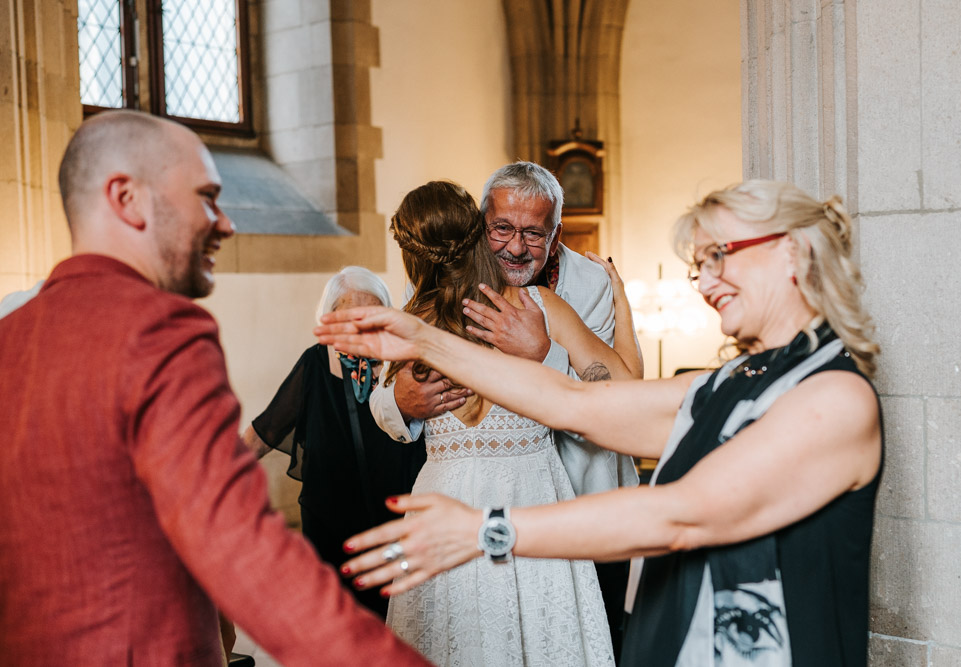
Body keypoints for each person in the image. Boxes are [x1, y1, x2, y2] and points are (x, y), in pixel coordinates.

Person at [320, 180, 883, 666]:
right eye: (699, 263)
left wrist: (483, 530)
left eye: (721, 254)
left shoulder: (833, 396)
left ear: (793, 254)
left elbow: (679, 517)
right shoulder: (731, 381)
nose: (705, 282)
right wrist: (421, 337)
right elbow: (573, 404)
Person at [0, 110, 428, 666]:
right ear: (126, 199)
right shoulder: (159, 331)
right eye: (206, 197)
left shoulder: (10, 334)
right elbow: (243, 550)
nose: (225, 223)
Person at [368, 161, 640, 653]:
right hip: (449, 491)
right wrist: (403, 402)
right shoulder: (426, 297)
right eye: (502, 229)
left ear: (555, 235)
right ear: (478, 226)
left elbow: (624, 396)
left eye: (534, 234)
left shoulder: (584, 286)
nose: (517, 246)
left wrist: (542, 354)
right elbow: (387, 395)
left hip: (565, 494)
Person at [241, 266, 426, 617]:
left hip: (395, 518)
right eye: (347, 317)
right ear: (328, 319)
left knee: (398, 618)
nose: (359, 327)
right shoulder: (315, 363)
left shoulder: (399, 363)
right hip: (331, 519)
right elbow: (266, 430)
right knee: (338, 619)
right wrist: (209, 475)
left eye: (370, 315)